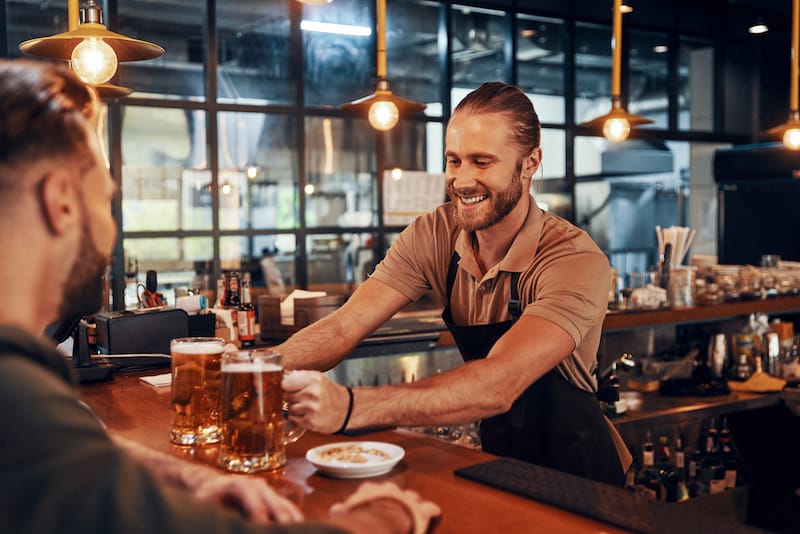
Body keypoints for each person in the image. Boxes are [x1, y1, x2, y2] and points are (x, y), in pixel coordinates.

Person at [0, 59, 440, 534]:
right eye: (104, 200)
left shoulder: (24, 395)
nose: (110, 230)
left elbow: (75, 454)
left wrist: (184, 477)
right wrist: (385, 516)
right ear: (61, 202)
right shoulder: (15, 394)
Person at [281, 82, 632, 486]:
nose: (462, 181)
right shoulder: (434, 233)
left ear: (530, 162)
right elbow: (344, 326)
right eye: (454, 160)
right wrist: (253, 369)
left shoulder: (573, 258)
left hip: (580, 479)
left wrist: (347, 406)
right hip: (498, 465)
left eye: (482, 162)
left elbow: (499, 382)